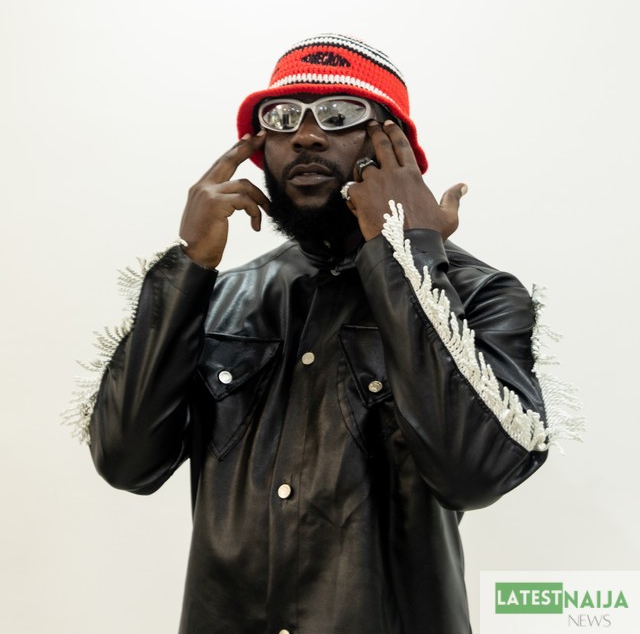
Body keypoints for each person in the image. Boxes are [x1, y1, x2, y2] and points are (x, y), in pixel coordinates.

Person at [70, 33, 581, 633]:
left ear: (394, 149)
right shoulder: (221, 296)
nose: (306, 136)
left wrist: (407, 258)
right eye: (282, 118)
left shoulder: (477, 295)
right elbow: (127, 463)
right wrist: (189, 266)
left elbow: (476, 473)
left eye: (339, 115)